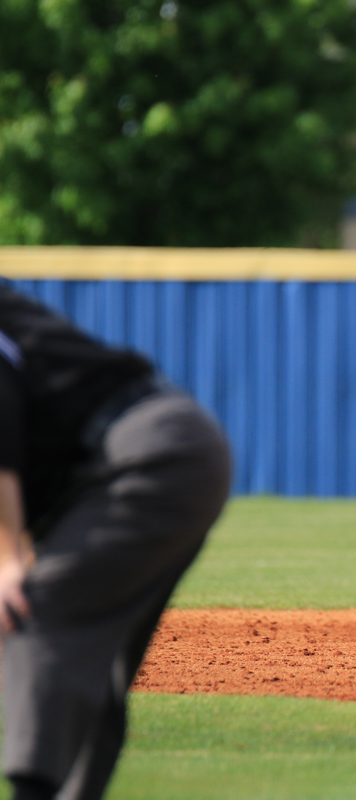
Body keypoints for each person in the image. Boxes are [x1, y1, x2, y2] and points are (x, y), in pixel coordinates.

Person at [0, 284, 231, 800]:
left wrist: (7, 557)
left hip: (146, 455)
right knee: (92, 658)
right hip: (160, 453)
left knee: (36, 613)